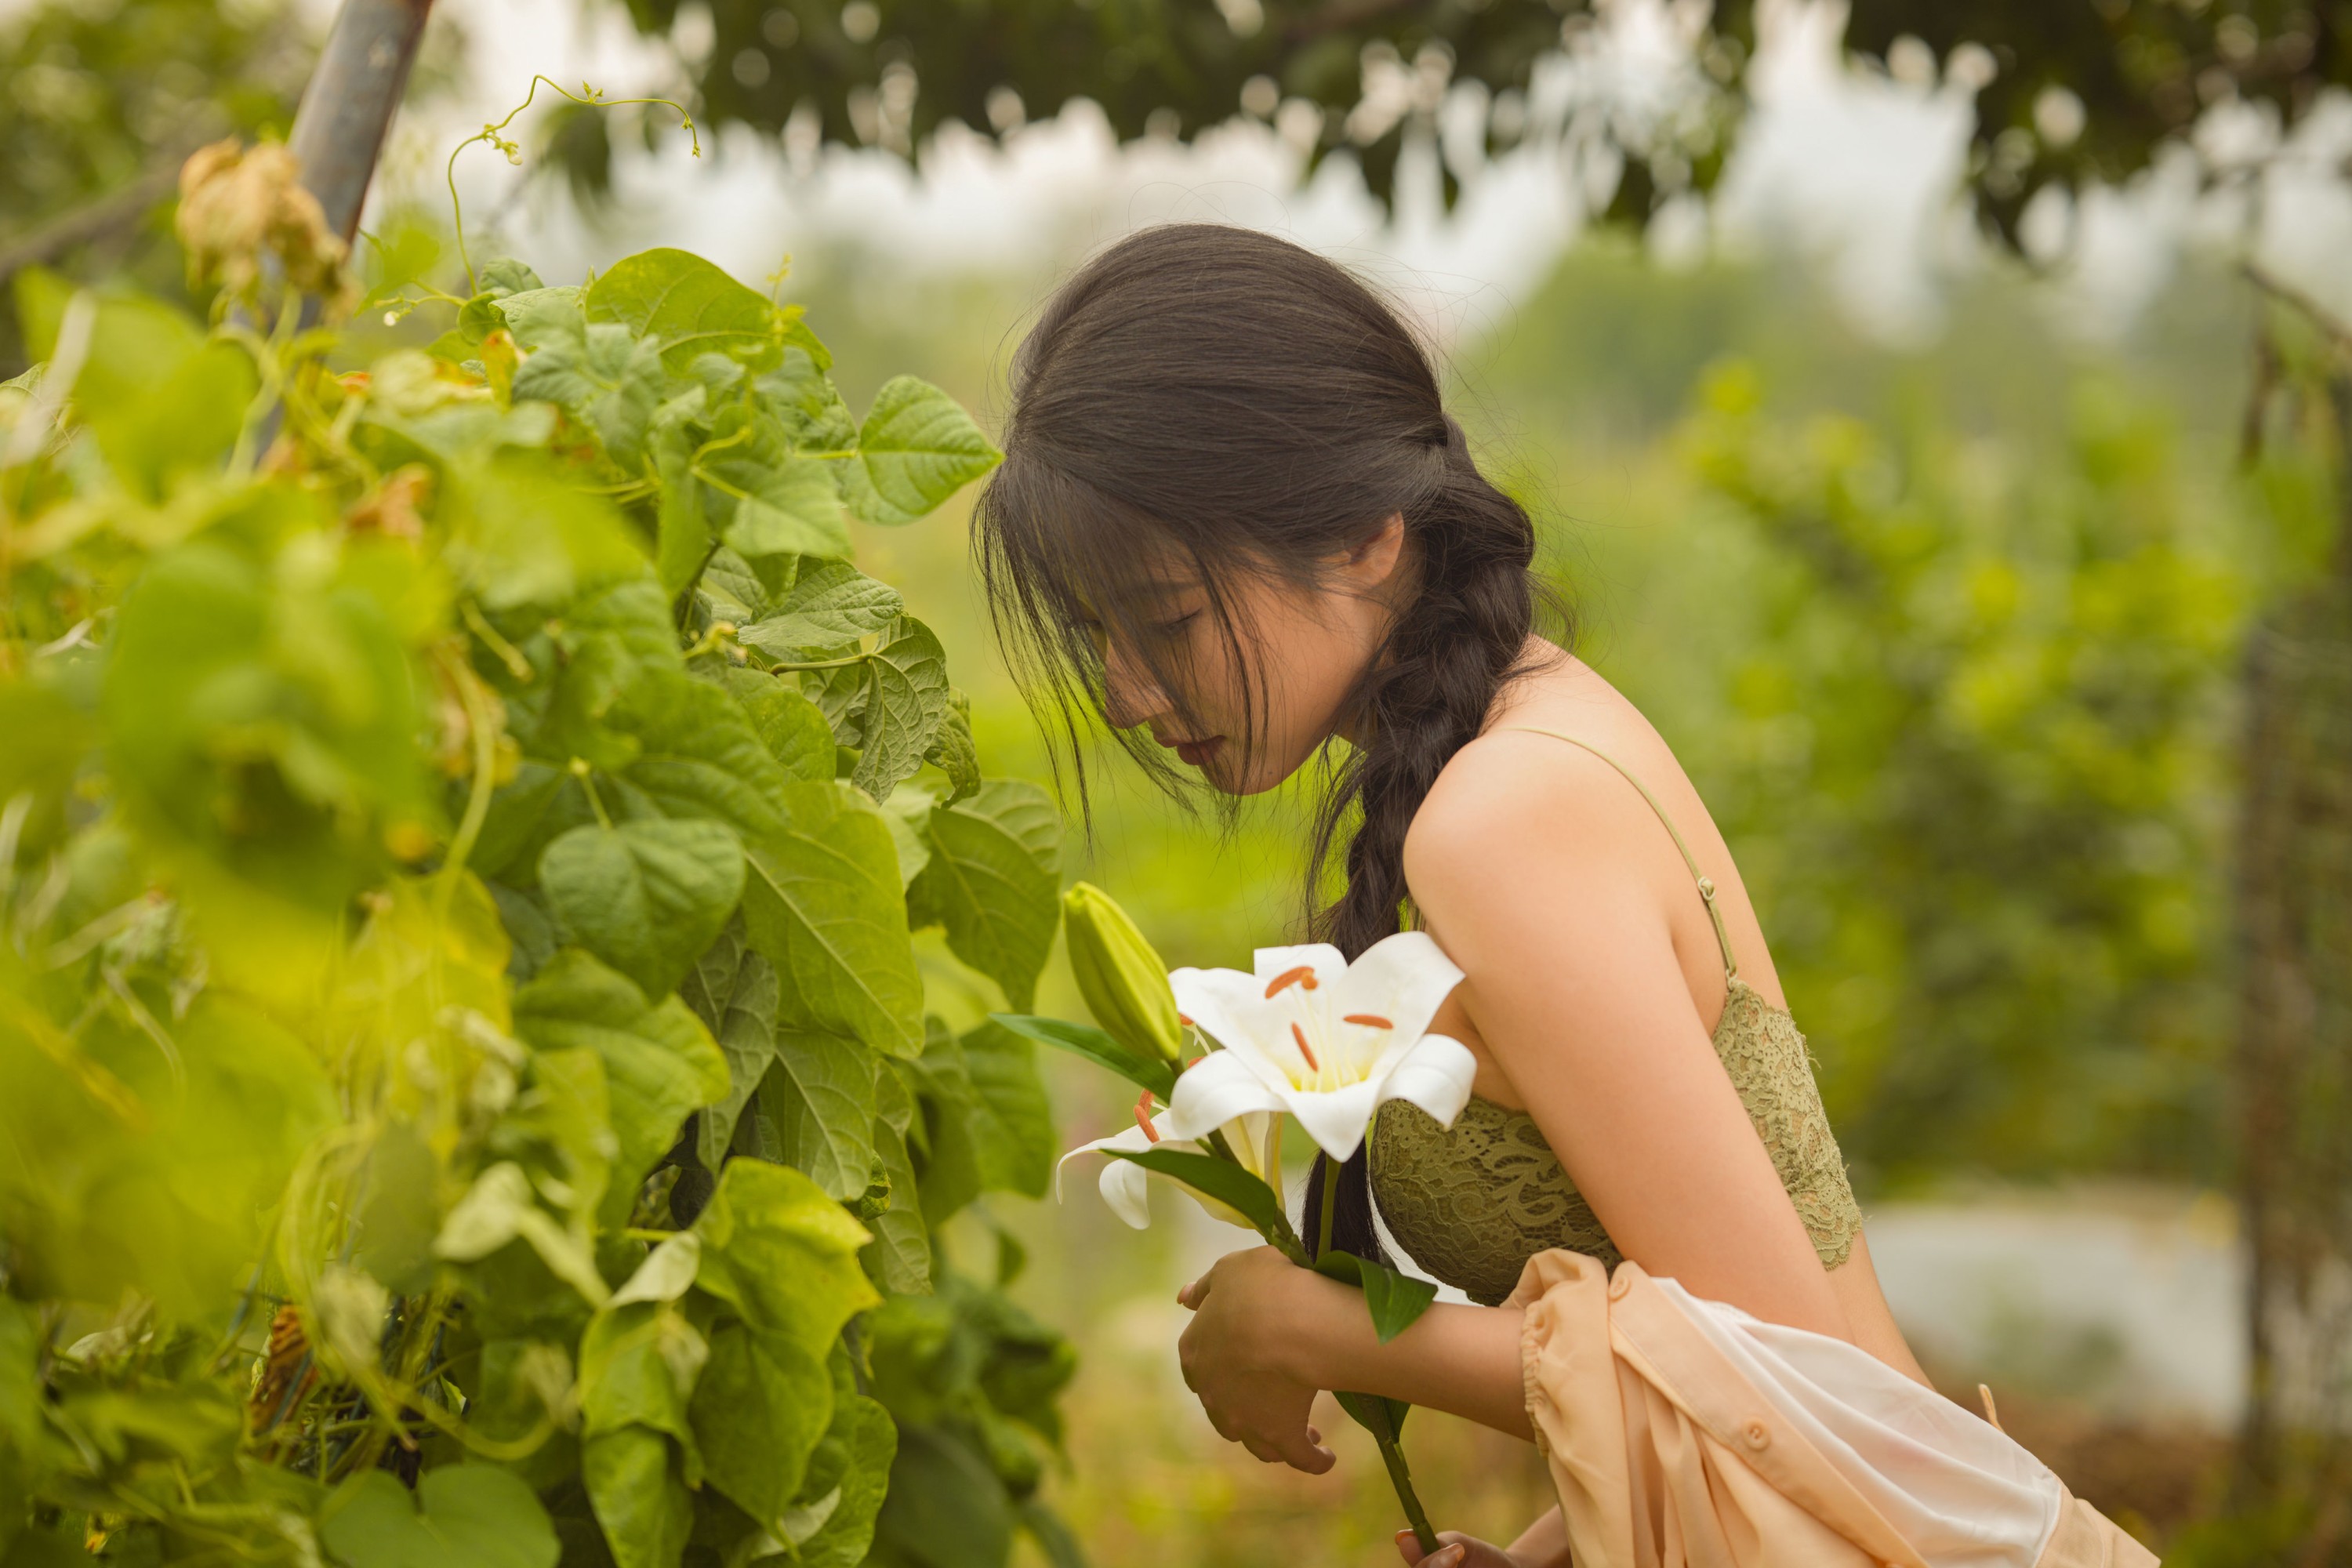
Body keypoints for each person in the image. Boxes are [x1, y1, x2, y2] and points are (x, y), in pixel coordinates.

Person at [973, 223, 2150, 1566]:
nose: (1127, 690)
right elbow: (1719, 1345)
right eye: (1099, 635)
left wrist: (1313, 1328)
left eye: (1167, 617)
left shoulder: (1500, 817)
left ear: (1366, 536)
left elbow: (1806, 1390)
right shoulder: (1535, 736)